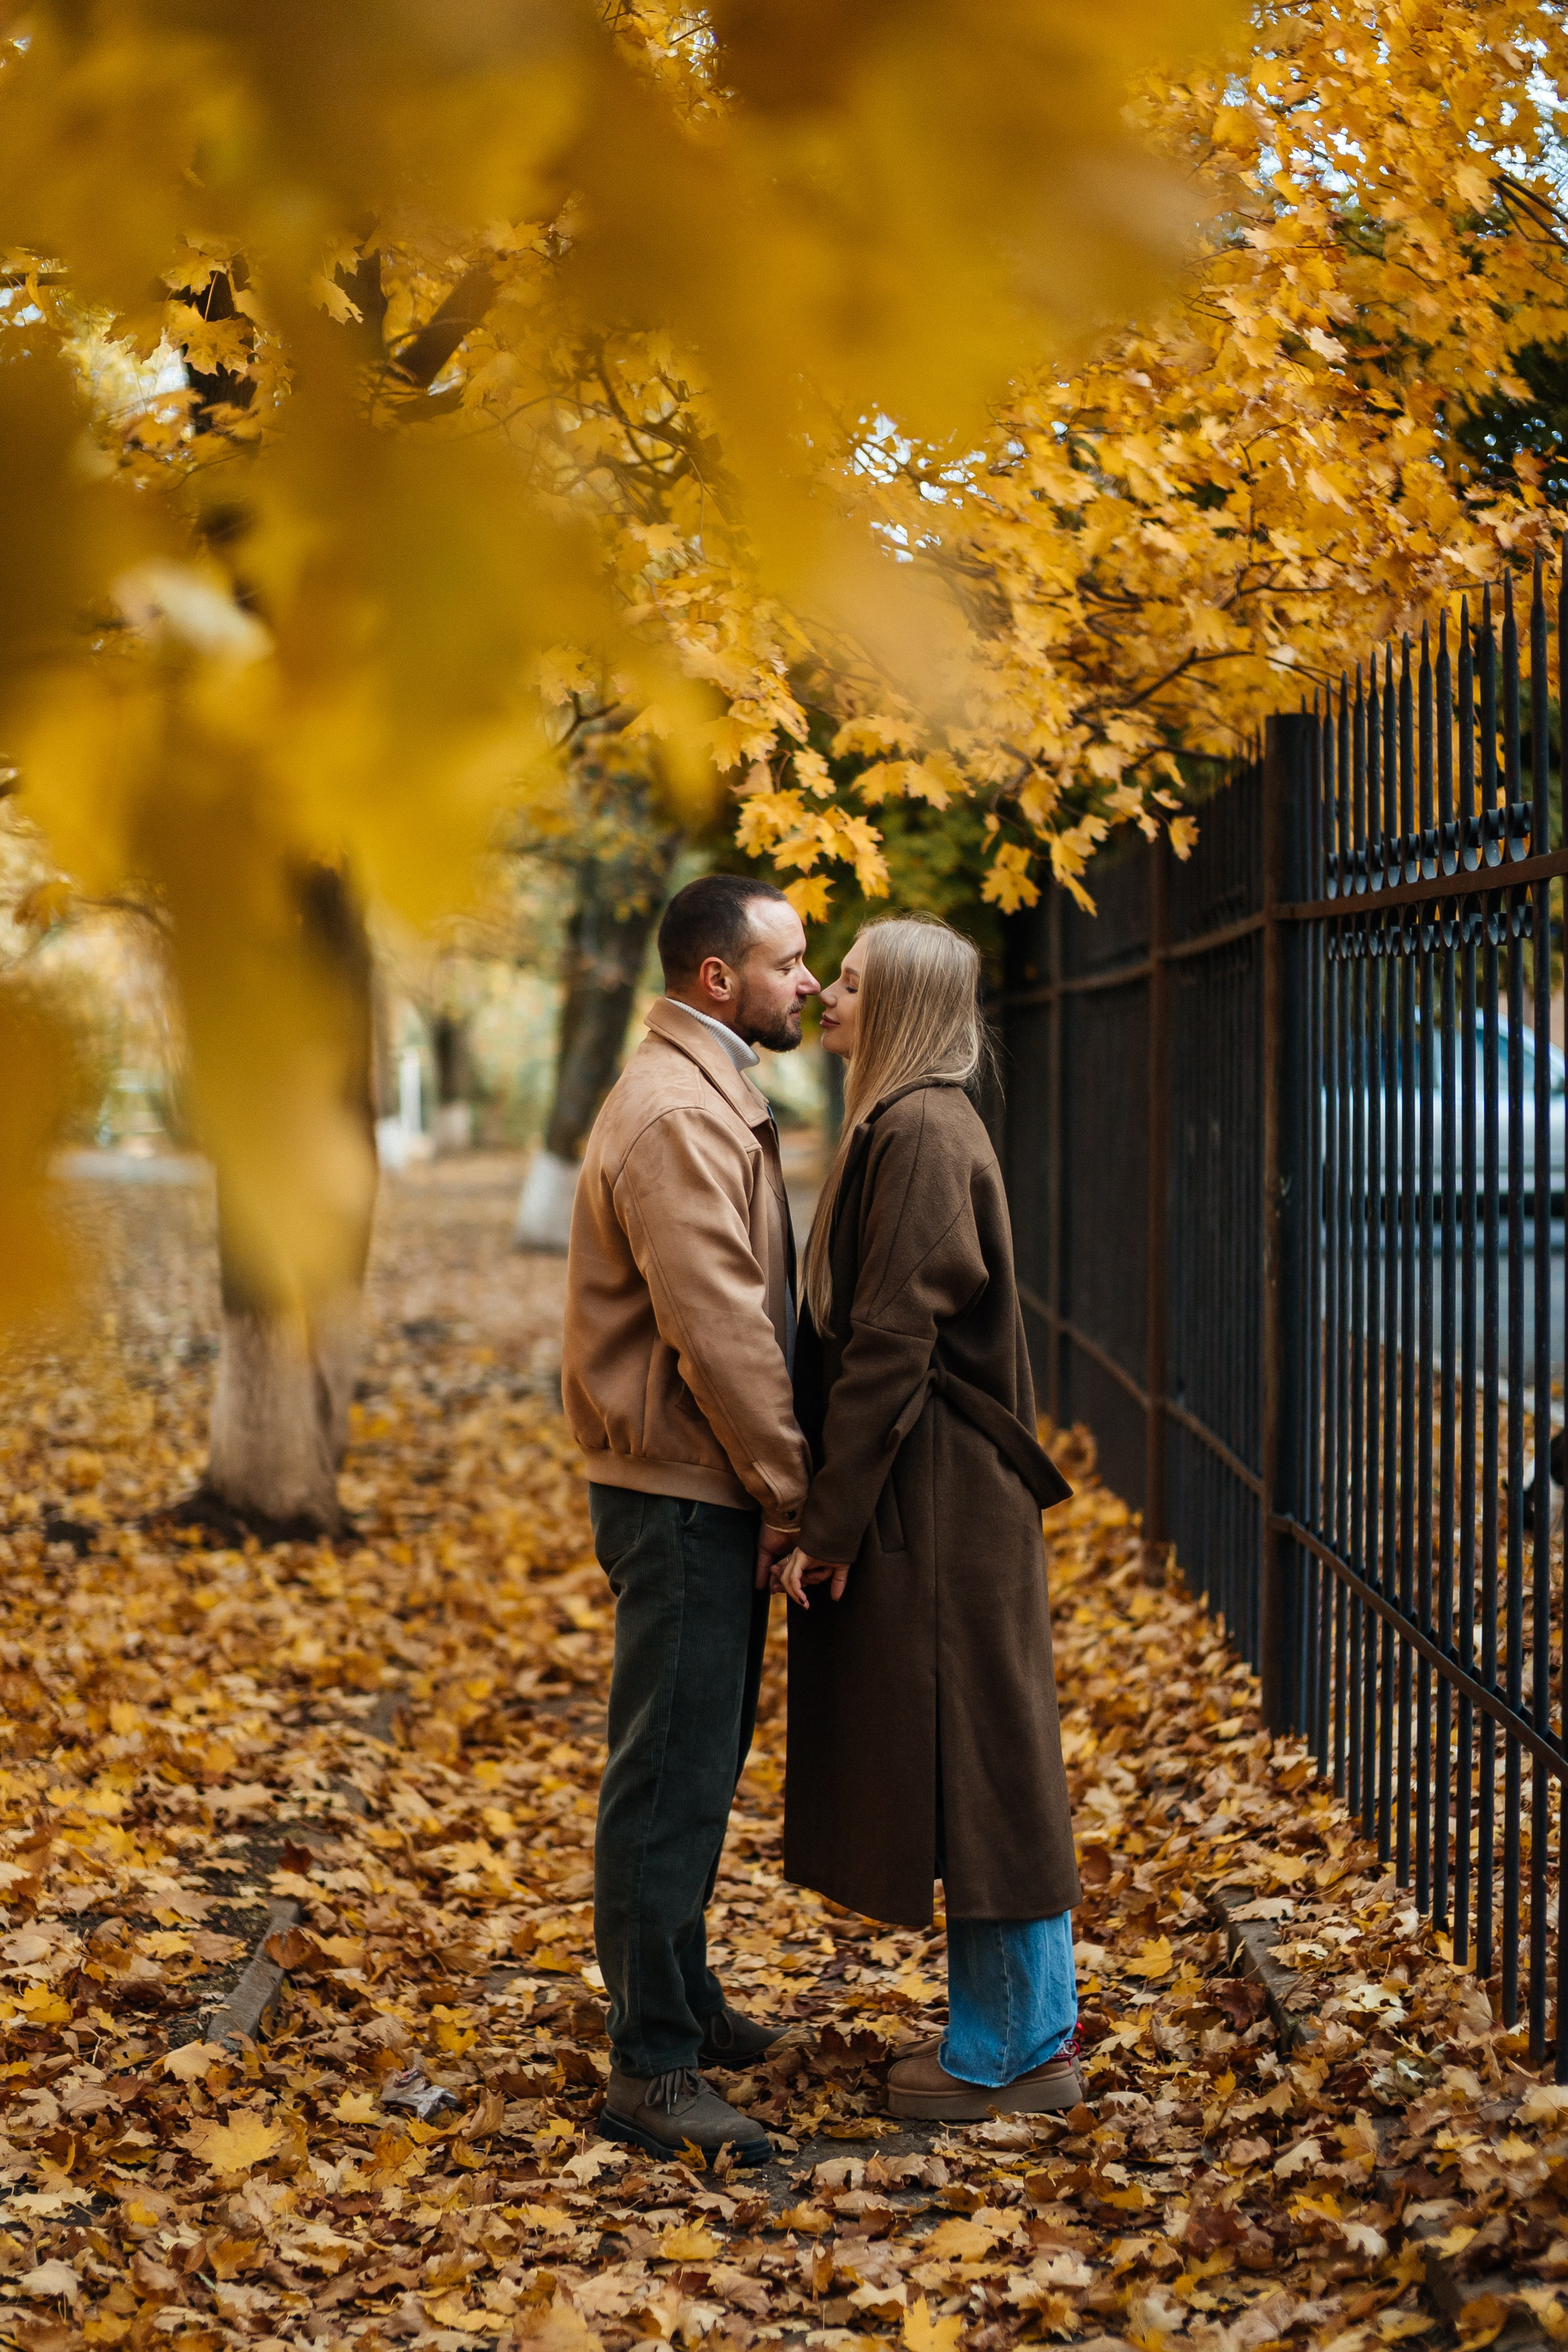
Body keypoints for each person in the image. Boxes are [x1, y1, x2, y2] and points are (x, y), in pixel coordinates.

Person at [776, 913, 1085, 2120]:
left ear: (898, 1006)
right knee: (989, 1758)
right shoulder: (914, 1121)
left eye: (850, 983)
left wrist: (829, 1530)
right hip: (945, 1491)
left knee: (983, 1764)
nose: (828, 996)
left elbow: (891, 1348)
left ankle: (1009, 2054)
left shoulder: (913, 1129)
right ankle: (1019, 2031)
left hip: (940, 1498)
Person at [562, 872, 818, 2164]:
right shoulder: (675, 1110)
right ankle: (651, 2069)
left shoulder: (702, 1088)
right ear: (719, 979)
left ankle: (688, 2005)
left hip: (696, 1477)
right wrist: (791, 1485)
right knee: (668, 1772)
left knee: (699, 1763)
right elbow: (717, 1324)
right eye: (788, 963)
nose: (809, 983)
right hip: (680, 1484)